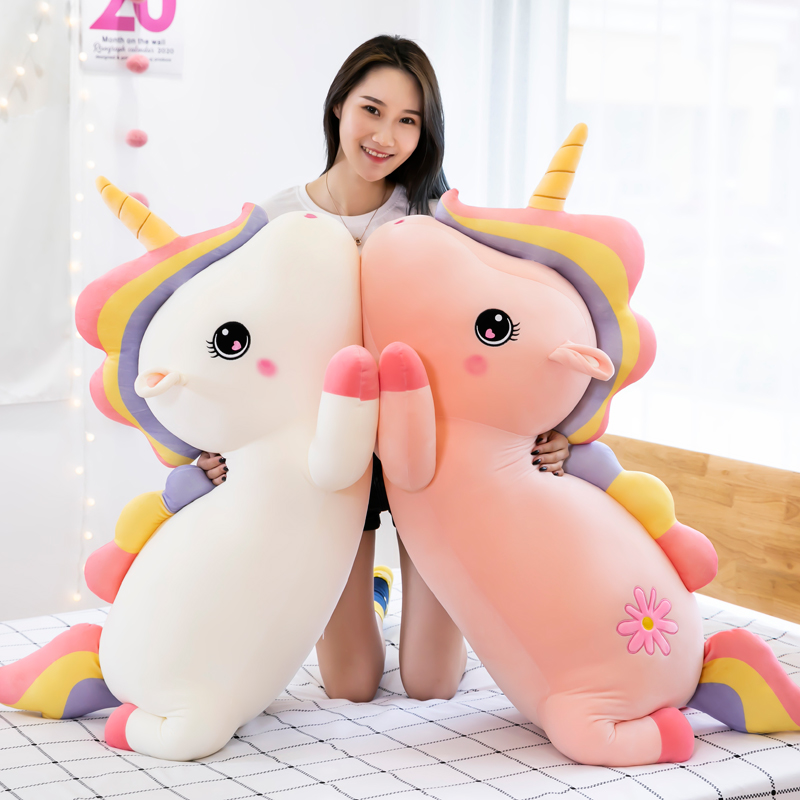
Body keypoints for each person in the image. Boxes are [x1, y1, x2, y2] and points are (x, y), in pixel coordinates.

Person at [198, 35, 570, 703]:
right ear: (338, 105)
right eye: (372, 110)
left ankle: (440, 610)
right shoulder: (274, 222)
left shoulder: (436, 219)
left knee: (433, 684)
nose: (385, 136)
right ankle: (375, 592)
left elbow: (513, 328)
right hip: (328, 452)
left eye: (408, 121)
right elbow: (229, 342)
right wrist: (215, 443)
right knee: (350, 686)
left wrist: (551, 429)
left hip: (430, 448)